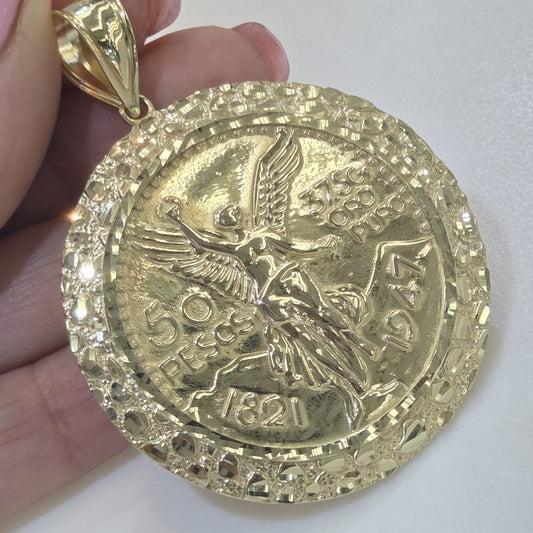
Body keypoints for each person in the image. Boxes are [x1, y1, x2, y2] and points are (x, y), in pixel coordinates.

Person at [0, 0, 289, 519]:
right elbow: (199, 249)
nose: (231, 222)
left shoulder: (260, 226)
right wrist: (178, 223)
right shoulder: (225, 247)